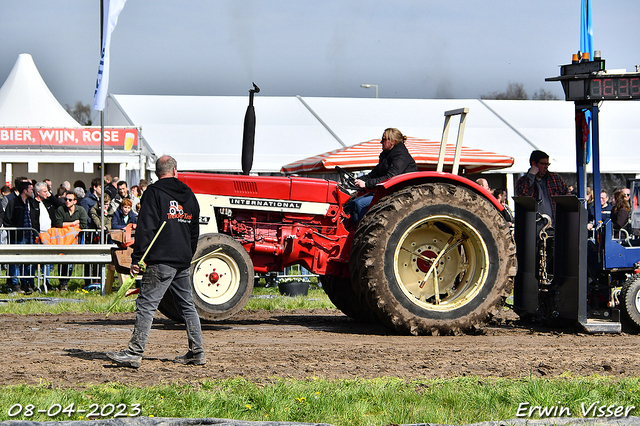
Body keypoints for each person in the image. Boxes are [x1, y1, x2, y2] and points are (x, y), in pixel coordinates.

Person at [106, 155, 204, 368]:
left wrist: (137, 258)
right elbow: (194, 229)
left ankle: (134, 352)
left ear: (156, 173)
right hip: (182, 259)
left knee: (146, 304)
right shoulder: (188, 194)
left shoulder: (154, 192)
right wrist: (188, 253)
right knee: (187, 305)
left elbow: (145, 227)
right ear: (175, 170)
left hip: (161, 258)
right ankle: (197, 352)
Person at [350, 128, 417, 224]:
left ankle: (362, 234)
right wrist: (357, 180)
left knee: (360, 204)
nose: (381, 142)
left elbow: (390, 177)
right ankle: (353, 231)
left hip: (399, 192)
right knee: (352, 204)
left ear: (392, 141)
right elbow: (373, 175)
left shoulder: (400, 156)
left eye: (384, 139)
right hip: (388, 191)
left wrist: (366, 184)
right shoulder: (386, 156)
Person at [2, 180, 39, 294]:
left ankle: (26, 282)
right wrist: (13, 231)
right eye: (30, 189)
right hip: (18, 237)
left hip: (30, 236)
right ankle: (15, 283)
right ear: (24, 190)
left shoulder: (31, 203)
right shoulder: (13, 202)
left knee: (28, 261)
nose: (32, 191)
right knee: (16, 261)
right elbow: (7, 219)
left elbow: (35, 218)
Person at [515, 150, 569, 226]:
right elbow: (524, 197)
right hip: (534, 227)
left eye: (547, 164)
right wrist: (530, 177)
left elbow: (568, 197)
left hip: (555, 225)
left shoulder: (556, 179)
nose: (546, 167)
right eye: (543, 164)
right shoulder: (523, 181)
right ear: (534, 164)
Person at [54, 191, 89, 290]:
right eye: (66, 199)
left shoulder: (81, 210)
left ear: (75, 201)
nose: (67, 201)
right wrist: (73, 224)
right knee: (62, 262)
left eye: (70, 200)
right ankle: (63, 282)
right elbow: (59, 224)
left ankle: (65, 282)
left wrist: (67, 225)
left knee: (70, 263)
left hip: (75, 241)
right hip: (63, 240)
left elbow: (83, 224)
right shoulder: (61, 209)